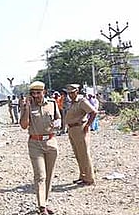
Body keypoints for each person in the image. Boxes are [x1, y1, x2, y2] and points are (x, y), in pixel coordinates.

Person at [20, 81, 60, 215]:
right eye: (33, 93)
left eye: (38, 92)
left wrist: (57, 125)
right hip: (35, 144)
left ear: (44, 92)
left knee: (49, 176)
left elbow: (58, 119)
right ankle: (42, 207)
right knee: (40, 175)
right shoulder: (28, 107)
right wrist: (26, 108)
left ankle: (45, 202)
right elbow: (24, 125)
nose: (36, 95)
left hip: (51, 142)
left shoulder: (52, 104)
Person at [64, 84, 98, 186]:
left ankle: (89, 178)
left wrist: (88, 125)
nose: (70, 95)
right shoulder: (72, 103)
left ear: (77, 91)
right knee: (78, 154)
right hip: (72, 129)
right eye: (69, 93)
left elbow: (93, 112)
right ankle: (83, 175)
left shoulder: (82, 101)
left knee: (84, 154)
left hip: (80, 129)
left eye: (72, 92)